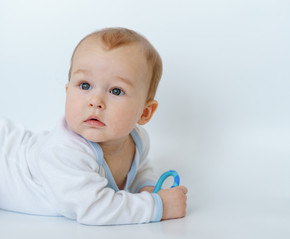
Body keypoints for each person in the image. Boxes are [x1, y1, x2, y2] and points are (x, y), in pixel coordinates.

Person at [0, 27, 187, 225]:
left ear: (145, 112)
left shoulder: (138, 140)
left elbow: (140, 167)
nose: (95, 101)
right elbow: (94, 208)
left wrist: (147, 187)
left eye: (116, 91)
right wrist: (158, 206)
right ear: (67, 91)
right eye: (85, 86)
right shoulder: (64, 152)